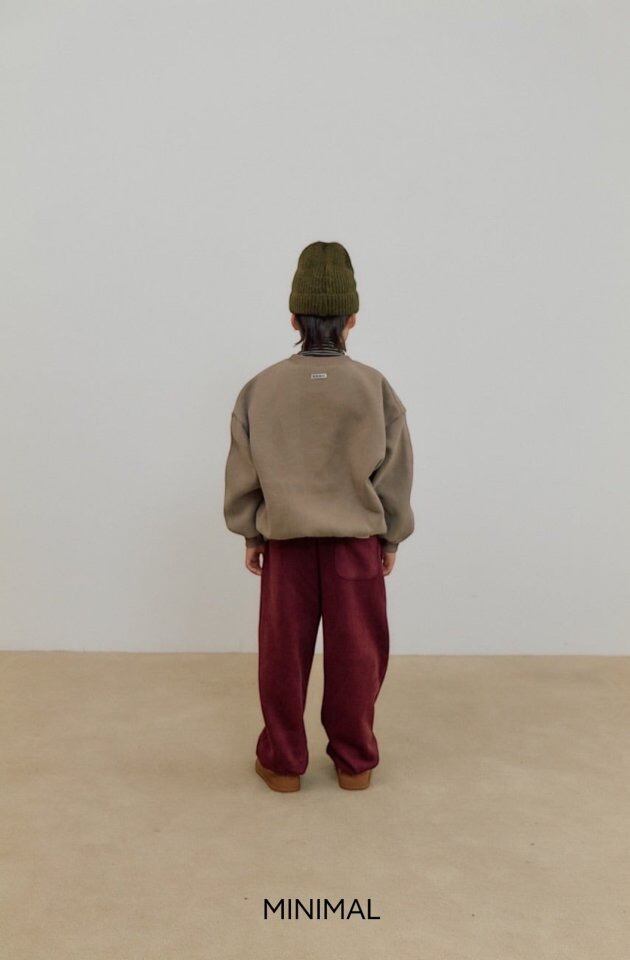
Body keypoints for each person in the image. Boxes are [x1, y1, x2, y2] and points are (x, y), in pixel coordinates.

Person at [223, 241, 414, 793]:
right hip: (355, 545)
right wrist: (390, 538)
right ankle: (355, 763)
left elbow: (244, 468)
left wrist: (252, 534)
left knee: (282, 656)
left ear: (293, 317)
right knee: (358, 654)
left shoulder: (260, 389)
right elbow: (395, 471)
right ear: (352, 318)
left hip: (286, 544)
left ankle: (283, 762)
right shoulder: (374, 388)